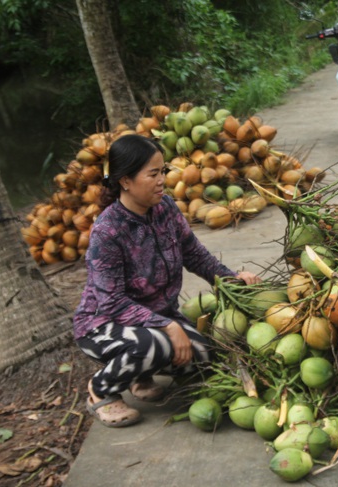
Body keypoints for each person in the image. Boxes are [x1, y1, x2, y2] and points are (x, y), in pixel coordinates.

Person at [73, 134, 261, 428]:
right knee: (156, 345)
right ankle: (101, 391)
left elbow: (196, 256)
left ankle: (139, 376)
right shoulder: (107, 232)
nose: (162, 180)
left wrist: (232, 278)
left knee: (207, 354)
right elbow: (111, 302)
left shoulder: (166, 209)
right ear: (125, 180)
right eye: (153, 174)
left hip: (155, 318)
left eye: (163, 172)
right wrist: (167, 325)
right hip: (102, 324)